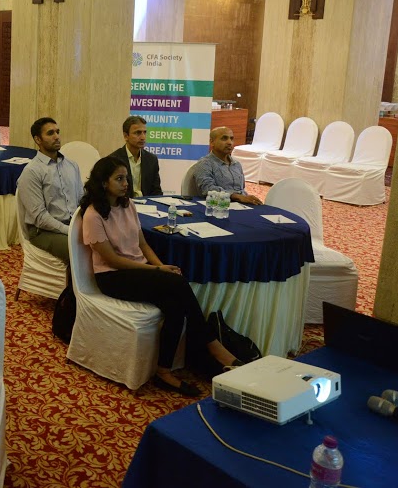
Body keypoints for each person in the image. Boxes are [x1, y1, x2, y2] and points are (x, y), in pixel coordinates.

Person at [80, 157, 243, 396]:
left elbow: (143, 244)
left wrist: (160, 265)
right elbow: (113, 261)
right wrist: (156, 270)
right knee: (177, 283)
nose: (126, 183)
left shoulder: (127, 205)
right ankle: (213, 345)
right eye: (119, 179)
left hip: (137, 269)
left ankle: (164, 371)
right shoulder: (93, 215)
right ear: (104, 183)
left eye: (126, 178)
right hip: (112, 277)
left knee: (175, 305)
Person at [16, 117, 82, 265]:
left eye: (58, 132)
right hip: (43, 232)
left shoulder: (72, 165)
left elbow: (81, 201)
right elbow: (40, 218)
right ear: (38, 140)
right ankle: (75, 281)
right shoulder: (32, 172)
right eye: (50, 133)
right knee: (80, 249)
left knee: (107, 242)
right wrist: (69, 230)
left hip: (72, 225)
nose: (57, 136)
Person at [194, 127, 263, 205]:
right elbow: (207, 189)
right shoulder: (205, 163)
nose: (229, 142)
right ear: (212, 142)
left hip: (242, 205)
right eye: (224, 138)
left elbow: (241, 189)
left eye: (231, 139)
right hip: (219, 206)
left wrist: (247, 198)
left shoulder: (236, 164)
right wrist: (236, 196)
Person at [109, 115, 163, 197]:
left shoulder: (152, 159)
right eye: (138, 133)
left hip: (147, 203)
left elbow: (156, 191)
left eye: (144, 132)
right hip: (124, 203)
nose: (143, 137)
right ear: (126, 136)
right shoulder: (114, 160)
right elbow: (112, 192)